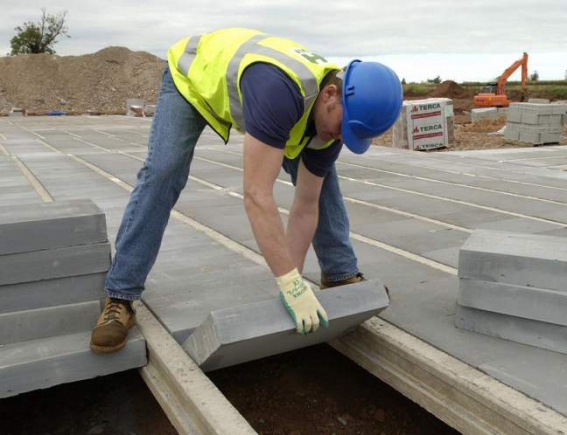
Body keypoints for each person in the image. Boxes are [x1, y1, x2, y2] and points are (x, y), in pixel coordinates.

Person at [90, 28, 403, 354]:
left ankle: (339, 274)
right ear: (330, 95)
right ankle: (120, 295)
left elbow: (306, 205)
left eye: (350, 135)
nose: (340, 138)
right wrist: (290, 283)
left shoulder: (335, 118)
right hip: (192, 77)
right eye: (343, 128)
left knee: (323, 187)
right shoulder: (279, 94)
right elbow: (257, 195)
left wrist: (292, 284)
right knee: (163, 172)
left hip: (274, 96)